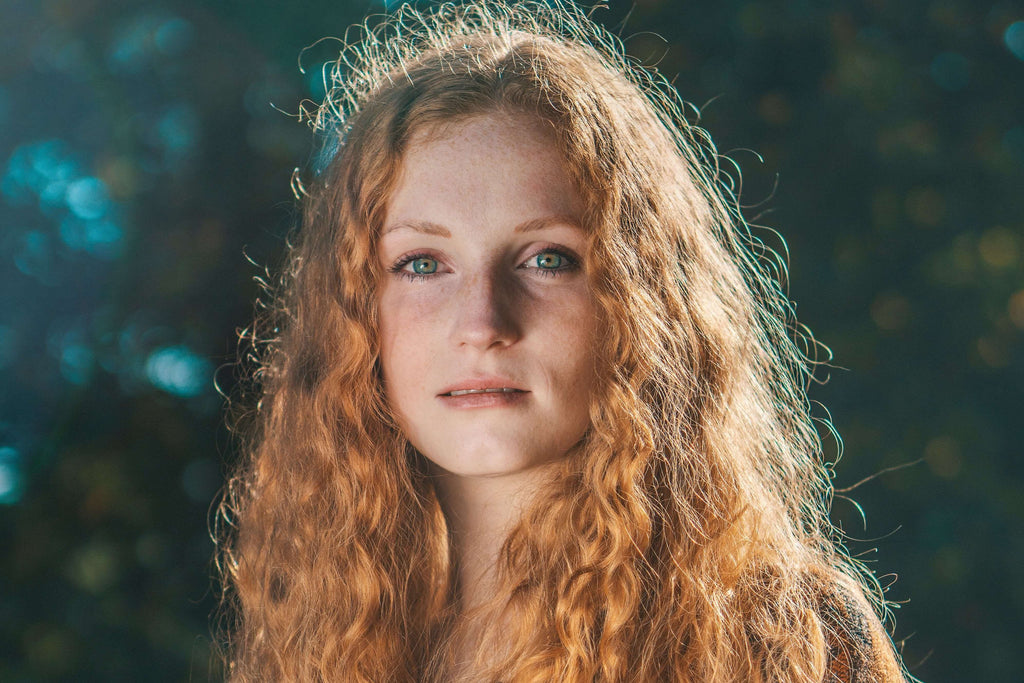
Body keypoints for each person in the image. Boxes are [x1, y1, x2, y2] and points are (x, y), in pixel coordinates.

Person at [216, 2, 911, 681]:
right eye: (422, 263)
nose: (483, 324)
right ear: (356, 309)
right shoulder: (320, 647)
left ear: (639, 304)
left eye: (546, 258)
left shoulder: (787, 642)